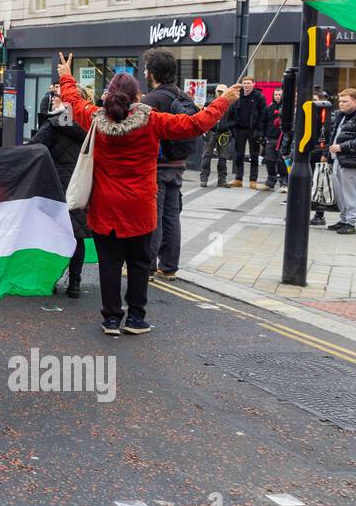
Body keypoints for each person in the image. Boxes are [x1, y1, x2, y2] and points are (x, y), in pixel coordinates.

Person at [56, 53, 233, 337]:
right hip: (140, 207)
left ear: (110, 96)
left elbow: (72, 100)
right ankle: (136, 319)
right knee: (139, 264)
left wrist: (66, 73)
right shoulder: (152, 121)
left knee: (110, 264)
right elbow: (197, 124)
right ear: (137, 96)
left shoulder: (94, 119)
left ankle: (111, 319)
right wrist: (225, 100)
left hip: (105, 207)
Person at [28, 89, 91, 298]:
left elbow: (33, 149)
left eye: (57, 97)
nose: (53, 100)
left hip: (55, 186)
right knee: (77, 236)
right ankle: (75, 283)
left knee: (54, 236)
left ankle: (53, 279)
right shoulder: (89, 126)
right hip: (79, 186)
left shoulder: (53, 125)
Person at [140, 48, 196, 279]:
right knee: (172, 216)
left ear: (153, 73)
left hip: (157, 166)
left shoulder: (152, 100)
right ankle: (169, 267)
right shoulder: (183, 96)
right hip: (178, 164)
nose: (144, 72)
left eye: (146, 68)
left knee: (153, 216)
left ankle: (148, 265)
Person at [326, 88, 356, 235]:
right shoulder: (342, 115)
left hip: (353, 160)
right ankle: (344, 219)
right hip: (339, 158)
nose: (341, 104)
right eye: (340, 101)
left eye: (345, 101)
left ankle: (351, 222)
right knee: (340, 193)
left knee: (350, 193)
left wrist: (341, 147)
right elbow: (334, 134)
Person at [227, 77, 266, 189]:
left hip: (253, 130)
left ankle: (253, 180)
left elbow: (263, 115)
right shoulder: (237, 96)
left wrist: (259, 130)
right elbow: (231, 112)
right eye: (244, 83)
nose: (246, 85)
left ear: (253, 84)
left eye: (248, 83)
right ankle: (238, 179)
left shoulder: (259, 97)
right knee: (239, 155)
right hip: (240, 129)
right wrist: (232, 127)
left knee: (254, 155)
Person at [199, 84, 233, 188]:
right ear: (216, 92)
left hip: (224, 133)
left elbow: (234, 119)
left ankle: (222, 180)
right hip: (211, 131)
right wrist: (204, 131)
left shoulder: (230, 105)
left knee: (223, 157)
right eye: (219, 91)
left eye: (222, 92)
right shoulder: (209, 103)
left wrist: (227, 127)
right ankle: (204, 179)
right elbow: (203, 116)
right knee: (206, 156)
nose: (220, 94)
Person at [261, 87, 289, 191]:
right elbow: (264, 123)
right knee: (269, 161)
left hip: (282, 139)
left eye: (279, 95)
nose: (277, 97)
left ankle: (284, 182)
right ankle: (270, 181)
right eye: (276, 95)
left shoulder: (287, 109)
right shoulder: (269, 108)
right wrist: (263, 136)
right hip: (271, 138)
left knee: (281, 161)